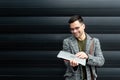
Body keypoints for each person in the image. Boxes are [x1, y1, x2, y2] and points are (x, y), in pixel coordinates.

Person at [62, 15, 105, 80]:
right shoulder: (67, 42)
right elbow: (66, 63)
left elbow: (101, 61)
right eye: (72, 29)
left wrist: (87, 57)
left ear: (83, 26)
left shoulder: (95, 41)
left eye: (77, 28)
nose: (74, 31)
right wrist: (73, 66)